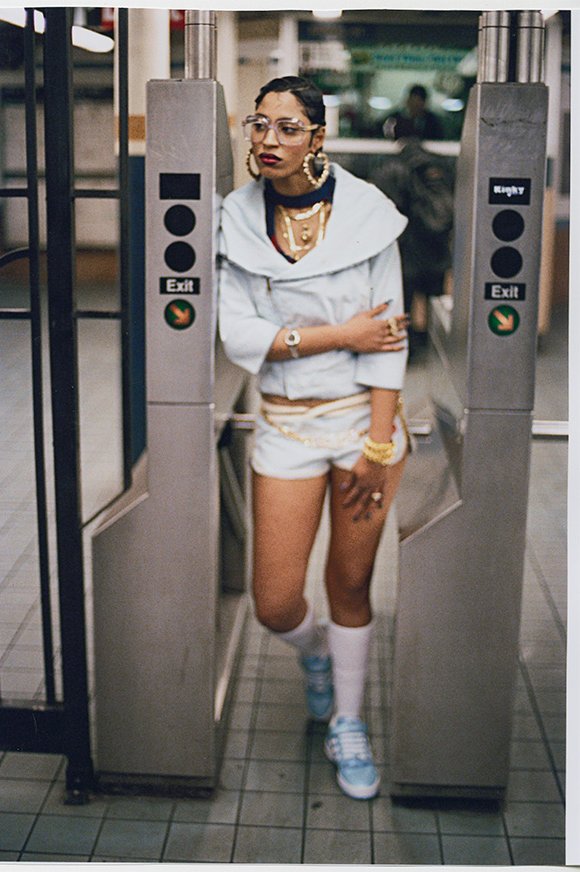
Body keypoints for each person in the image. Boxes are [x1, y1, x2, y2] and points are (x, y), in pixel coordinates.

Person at [218, 76, 409, 801]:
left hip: (364, 424)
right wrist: (339, 333)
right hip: (286, 427)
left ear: (318, 137)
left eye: (288, 128)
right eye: (258, 126)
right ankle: (319, 654)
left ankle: (350, 722)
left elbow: (387, 342)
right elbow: (239, 333)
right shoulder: (232, 220)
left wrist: (380, 444)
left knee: (351, 583)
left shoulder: (368, 217)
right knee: (274, 603)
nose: (268, 140)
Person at [372, 115, 454, 352]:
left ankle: (404, 352)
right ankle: (437, 351)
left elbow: (386, 209)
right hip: (437, 247)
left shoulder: (390, 166)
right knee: (436, 303)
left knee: (403, 303)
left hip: (408, 250)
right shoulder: (441, 163)